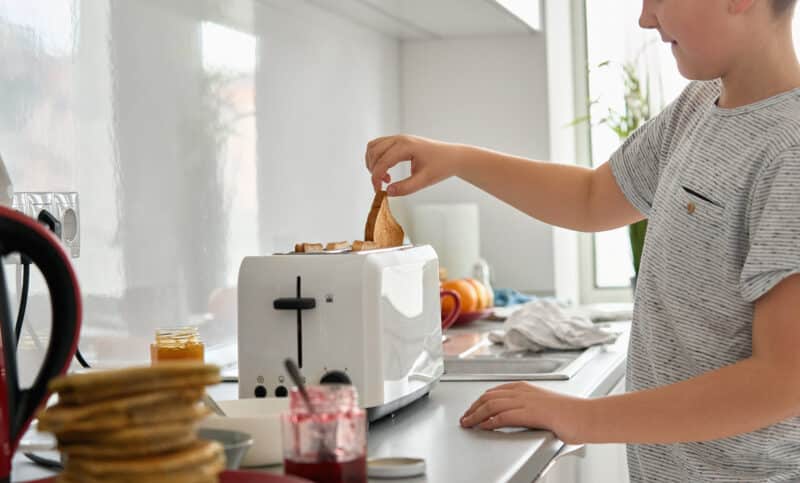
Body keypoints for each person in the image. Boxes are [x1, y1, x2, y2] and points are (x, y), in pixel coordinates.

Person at [364, 0, 800, 480]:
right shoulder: (697, 108)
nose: (645, 17)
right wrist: (457, 159)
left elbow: (781, 380)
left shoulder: (790, 151)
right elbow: (592, 198)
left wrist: (581, 417)